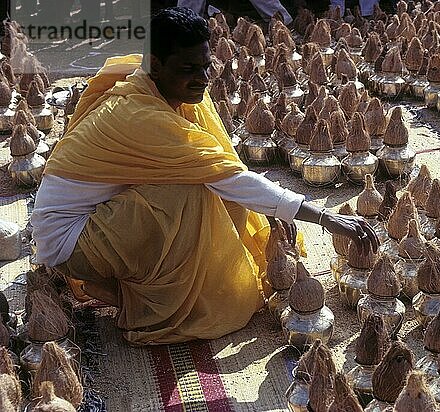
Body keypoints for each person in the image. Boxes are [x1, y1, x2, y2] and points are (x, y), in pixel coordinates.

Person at [31, 7, 378, 345]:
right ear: (154, 65)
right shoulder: (140, 115)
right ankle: (157, 309)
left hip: (97, 220)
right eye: (188, 69)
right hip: (70, 241)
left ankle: (149, 282)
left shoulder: (153, 90)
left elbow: (226, 169)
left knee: (203, 178)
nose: (202, 79)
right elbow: (228, 178)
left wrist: (275, 206)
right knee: (191, 190)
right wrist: (323, 216)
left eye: (205, 66)